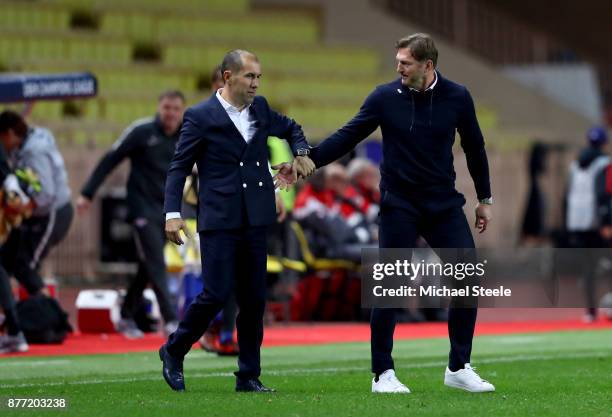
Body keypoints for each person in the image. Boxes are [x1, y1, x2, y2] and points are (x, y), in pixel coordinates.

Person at [302, 33, 495, 393]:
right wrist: (310, 159)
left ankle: (458, 366)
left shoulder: (458, 96)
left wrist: (485, 197)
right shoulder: (384, 97)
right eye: (398, 62)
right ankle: (382, 374)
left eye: (406, 63)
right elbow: (348, 135)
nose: (399, 68)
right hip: (399, 205)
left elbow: (475, 147)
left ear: (428, 65)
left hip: (442, 204)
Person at [159, 49, 310, 393]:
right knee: (214, 294)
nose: (256, 83)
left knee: (255, 298)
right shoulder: (200, 116)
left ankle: (248, 376)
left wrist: (300, 153)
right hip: (219, 219)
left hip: (256, 218)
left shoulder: (261, 109)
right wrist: (172, 214)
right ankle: (174, 348)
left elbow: (292, 129)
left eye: (258, 77)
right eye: (250, 77)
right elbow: (178, 167)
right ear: (228, 77)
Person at [77, 90, 185, 338]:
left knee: (148, 265)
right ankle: (171, 321)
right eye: (166, 108)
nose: (170, 113)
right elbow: (110, 158)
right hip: (141, 207)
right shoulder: (142, 131)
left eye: (175, 109)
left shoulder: (186, 136)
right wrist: (87, 193)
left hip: (168, 210)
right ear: (159, 108)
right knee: (156, 259)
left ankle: (126, 315)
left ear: (181, 112)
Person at [0, 110, 73, 299]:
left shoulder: (34, 150)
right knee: (7, 258)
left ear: (9, 133)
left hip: (54, 212)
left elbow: (46, 193)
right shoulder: (27, 141)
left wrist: (22, 209)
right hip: (40, 212)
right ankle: (8, 310)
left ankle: (50, 314)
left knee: (25, 266)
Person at [565, 126, 610, 322]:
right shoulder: (604, 163)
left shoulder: (575, 164)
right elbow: (603, 193)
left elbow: (567, 195)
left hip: (577, 220)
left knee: (588, 267)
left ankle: (590, 311)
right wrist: (607, 221)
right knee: (606, 261)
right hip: (597, 221)